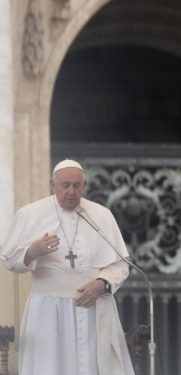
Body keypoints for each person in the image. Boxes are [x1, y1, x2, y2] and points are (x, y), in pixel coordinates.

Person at [0, 159, 135, 375]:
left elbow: (120, 264)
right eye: (65, 186)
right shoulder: (30, 214)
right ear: (52, 185)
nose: (71, 192)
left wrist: (102, 284)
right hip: (47, 314)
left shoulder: (100, 215)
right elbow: (9, 260)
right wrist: (33, 250)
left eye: (76, 185)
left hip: (92, 309)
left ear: (84, 185)